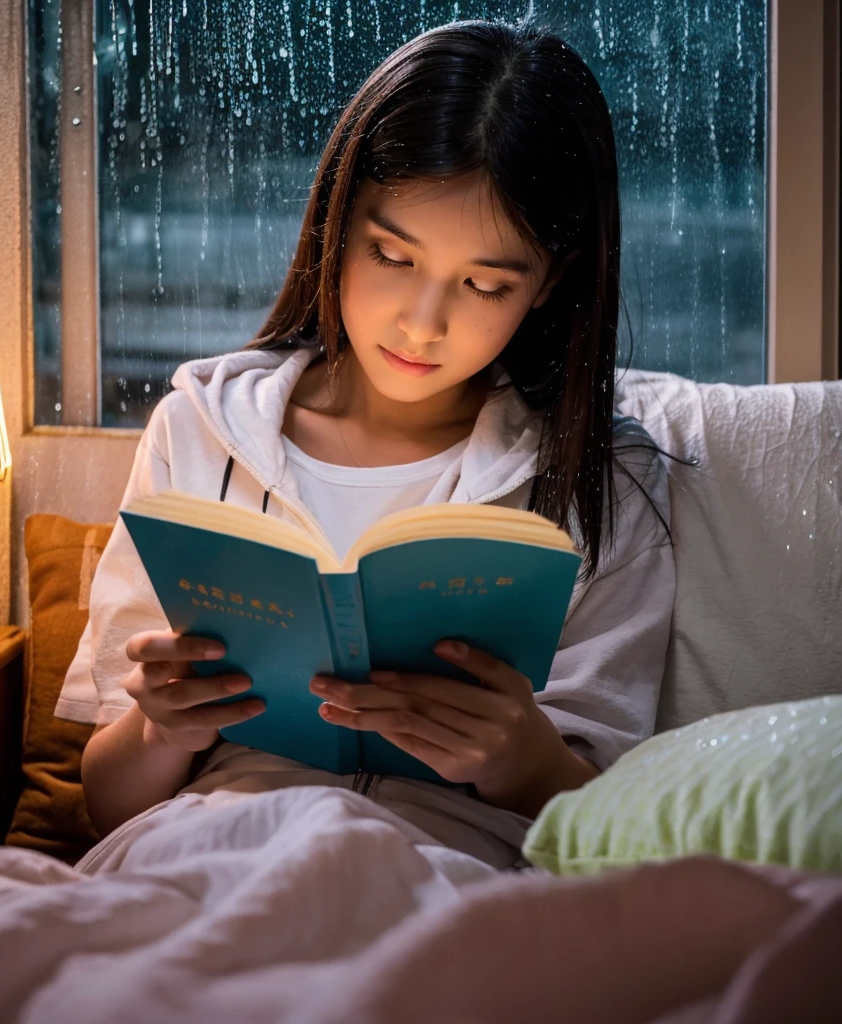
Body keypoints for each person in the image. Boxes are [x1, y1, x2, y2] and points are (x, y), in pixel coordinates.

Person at [57, 19, 675, 870]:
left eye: (484, 284)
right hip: (211, 856)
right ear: (337, 221)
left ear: (550, 283)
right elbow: (107, 804)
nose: (423, 324)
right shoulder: (201, 429)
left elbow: (620, 842)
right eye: (391, 255)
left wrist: (522, 761)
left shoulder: (602, 484)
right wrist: (159, 726)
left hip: (444, 883)